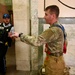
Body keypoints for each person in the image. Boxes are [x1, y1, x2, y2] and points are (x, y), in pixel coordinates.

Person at [9, 5, 69, 75]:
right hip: (58, 59)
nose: (44, 17)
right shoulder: (60, 26)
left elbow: (36, 41)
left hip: (54, 63)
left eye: (46, 14)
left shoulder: (53, 30)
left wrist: (20, 35)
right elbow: (65, 42)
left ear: (52, 16)